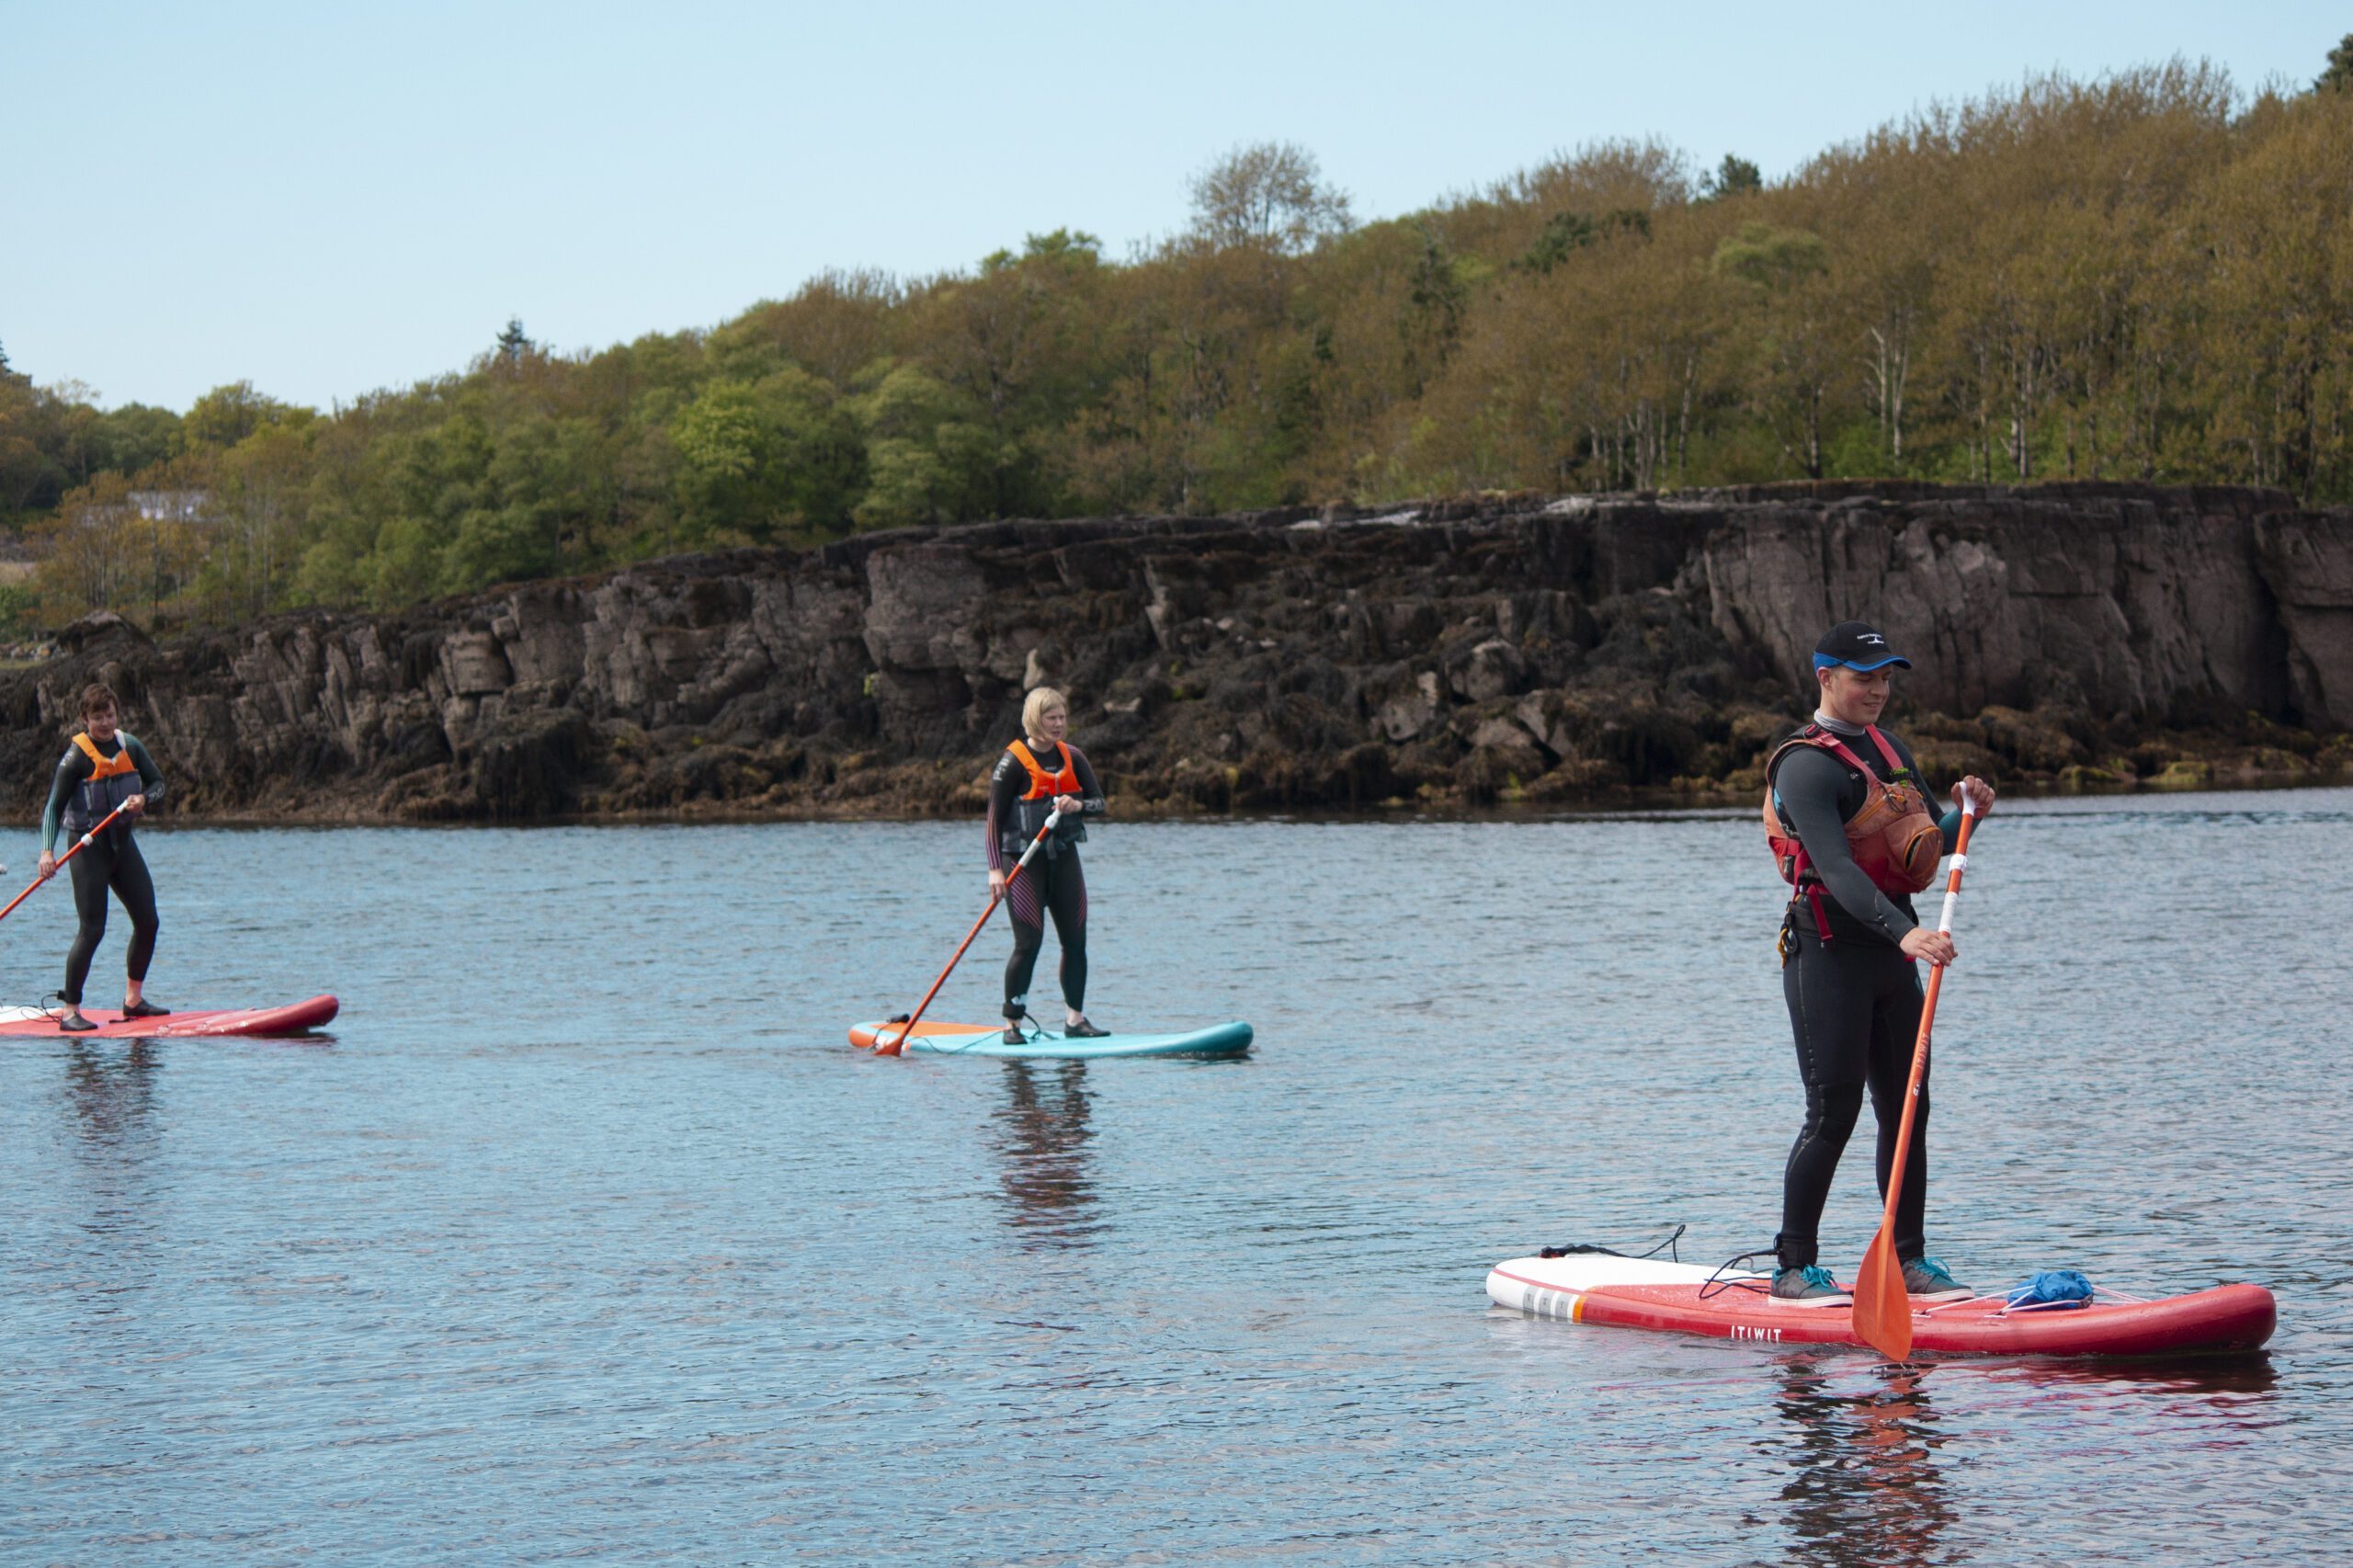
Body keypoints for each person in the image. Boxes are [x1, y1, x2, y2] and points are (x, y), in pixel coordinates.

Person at [1761, 622, 1995, 1305]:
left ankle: (1908, 1262)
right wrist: (1903, 934)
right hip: (1828, 952)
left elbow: (1921, 847)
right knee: (1832, 1113)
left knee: (1908, 1111)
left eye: (1886, 678)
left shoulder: (1891, 749)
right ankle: (1792, 1269)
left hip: (1894, 951)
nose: (1879, 690)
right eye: (1865, 678)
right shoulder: (1804, 765)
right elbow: (1834, 867)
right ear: (1826, 678)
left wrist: (1967, 815)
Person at [40, 683, 168, 1032]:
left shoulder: (131, 746)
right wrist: (47, 853)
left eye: (110, 715)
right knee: (92, 929)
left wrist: (144, 799)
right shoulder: (76, 758)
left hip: (122, 846)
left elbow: (158, 783)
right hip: (87, 850)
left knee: (148, 920)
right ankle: (69, 1012)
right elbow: (53, 808)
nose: (105, 722)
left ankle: (133, 1001)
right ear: (85, 719)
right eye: (98, 717)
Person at [987, 687, 1108, 1045]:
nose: (1059, 724)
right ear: (1034, 719)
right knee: (1029, 944)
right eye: (1051, 718)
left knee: (1076, 941)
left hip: (1064, 859)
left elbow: (1100, 802)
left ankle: (1075, 1020)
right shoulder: (1012, 762)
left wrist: (1078, 806)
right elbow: (993, 818)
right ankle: (1013, 1024)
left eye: (1062, 717)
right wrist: (995, 869)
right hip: (1022, 865)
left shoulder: (1073, 756)